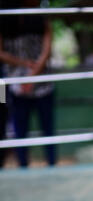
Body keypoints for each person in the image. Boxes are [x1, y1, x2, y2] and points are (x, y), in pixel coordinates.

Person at [0, 0, 56, 168]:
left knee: (36, 129)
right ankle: (21, 163)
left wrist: (29, 75)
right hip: (13, 86)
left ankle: (39, 164)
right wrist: (28, 69)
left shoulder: (41, 19)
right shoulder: (6, 19)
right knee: (18, 128)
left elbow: (47, 51)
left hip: (35, 84)